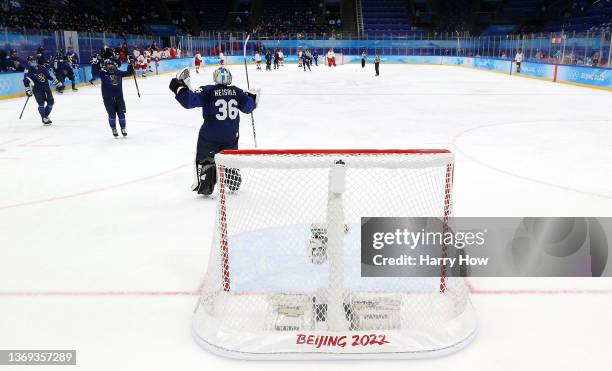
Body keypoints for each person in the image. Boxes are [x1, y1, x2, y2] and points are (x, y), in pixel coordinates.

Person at [168, 66, 260, 196]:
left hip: (210, 137)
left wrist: (179, 87)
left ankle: (205, 184)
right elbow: (248, 108)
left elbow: (189, 101)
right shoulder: (237, 91)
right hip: (231, 137)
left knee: (205, 160)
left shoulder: (208, 91)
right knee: (230, 160)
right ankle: (233, 180)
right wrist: (252, 97)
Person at [98, 58, 135, 137]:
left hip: (119, 97)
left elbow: (129, 73)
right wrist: (96, 64)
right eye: (108, 65)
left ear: (115, 65)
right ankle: (114, 129)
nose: (110, 66)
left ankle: (123, 128)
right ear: (105, 66)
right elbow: (97, 75)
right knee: (112, 115)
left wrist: (130, 64)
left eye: (112, 64)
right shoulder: (103, 74)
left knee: (121, 114)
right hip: (108, 99)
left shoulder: (118, 72)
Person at [23, 55, 63, 125]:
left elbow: (48, 76)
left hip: (46, 88)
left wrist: (56, 82)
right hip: (37, 89)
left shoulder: (42, 67)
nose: (33, 62)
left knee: (51, 103)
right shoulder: (27, 70)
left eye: (34, 61)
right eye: (31, 61)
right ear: (28, 62)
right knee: (41, 104)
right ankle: (44, 118)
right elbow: (26, 81)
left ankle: (45, 116)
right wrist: (28, 90)